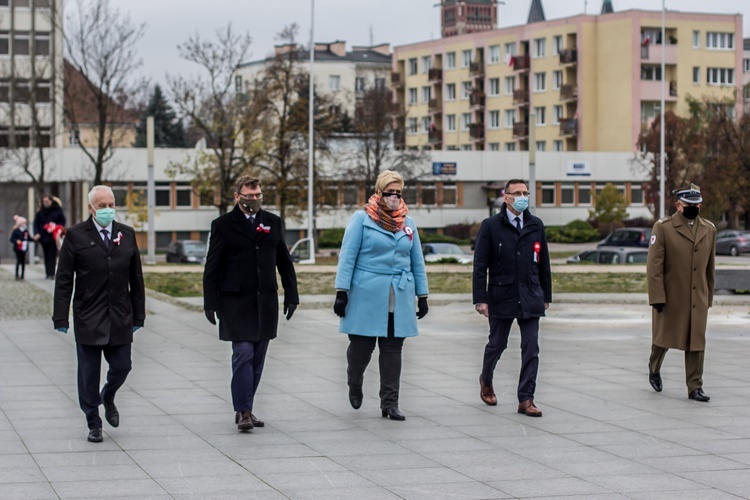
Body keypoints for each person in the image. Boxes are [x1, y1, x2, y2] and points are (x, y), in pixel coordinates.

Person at [203, 176, 299, 431]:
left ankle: (247, 405)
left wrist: (292, 296)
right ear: (237, 196)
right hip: (235, 301)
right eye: (249, 195)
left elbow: (285, 263)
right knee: (243, 353)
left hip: (265, 301)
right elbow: (212, 266)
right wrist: (210, 302)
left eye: (257, 195)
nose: (254, 199)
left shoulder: (273, 223)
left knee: (257, 358)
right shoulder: (223, 225)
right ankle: (243, 411)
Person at [334, 170, 429, 421]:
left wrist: (423, 294)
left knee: (392, 351)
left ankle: (390, 403)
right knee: (361, 349)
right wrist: (341, 292)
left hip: (399, 294)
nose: (395, 197)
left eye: (398, 193)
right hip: (366, 293)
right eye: (390, 192)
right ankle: (354, 381)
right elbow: (347, 257)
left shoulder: (408, 222)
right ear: (379, 192)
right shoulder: (361, 219)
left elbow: (416, 260)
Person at [53, 185, 145, 443]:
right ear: (91, 208)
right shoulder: (75, 236)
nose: (108, 210)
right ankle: (93, 421)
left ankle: (108, 395)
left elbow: (136, 278)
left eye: (111, 205)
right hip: (88, 316)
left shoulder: (126, 234)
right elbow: (63, 279)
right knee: (88, 374)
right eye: (102, 206)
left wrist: (139, 316)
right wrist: (60, 316)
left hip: (120, 315)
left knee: (122, 366)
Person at [472, 179, 552, 417]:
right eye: (517, 193)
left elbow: (544, 263)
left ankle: (526, 399)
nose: (522, 196)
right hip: (501, 295)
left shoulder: (536, 225)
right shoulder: (490, 226)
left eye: (525, 192)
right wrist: (480, 298)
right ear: (505, 196)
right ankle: (486, 379)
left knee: (531, 348)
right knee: (497, 344)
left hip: (530, 294)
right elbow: (480, 266)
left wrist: (546, 295)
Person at [647, 183, 716, 402]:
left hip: (698, 297)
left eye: (697, 204)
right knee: (663, 338)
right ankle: (654, 367)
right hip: (671, 296)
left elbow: (710, 267)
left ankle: (695, 386)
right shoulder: (664, 228)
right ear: (679, 205)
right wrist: (657, 297)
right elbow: (654, 266)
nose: (694, 208)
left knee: (696, 342)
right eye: (689, 204)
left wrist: (708, 297)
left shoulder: (709, 229)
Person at [34, 194, 66, 279]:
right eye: (44, 201)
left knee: (52, 254)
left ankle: (52, 273)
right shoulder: (40, 211)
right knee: (46, 254)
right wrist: (37, 233)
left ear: (51, 201)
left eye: (47, 201)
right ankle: (48, 273)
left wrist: (56, 227)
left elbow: (62, 221)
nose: (46, 203)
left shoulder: (57, 210)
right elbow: (36, 223)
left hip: (54, 236)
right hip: (43, 236)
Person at [10, 215, 30, 280]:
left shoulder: (25, 231)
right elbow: (12, 239)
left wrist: (35, 239)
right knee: (18, 261)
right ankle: (16, 275)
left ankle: (22, 275)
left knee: (23, 262)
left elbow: (28, 238)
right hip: (17, 249)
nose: (24, 224)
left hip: (24, 249)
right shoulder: (16, 231)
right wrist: (16, 241)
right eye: (23, 223)